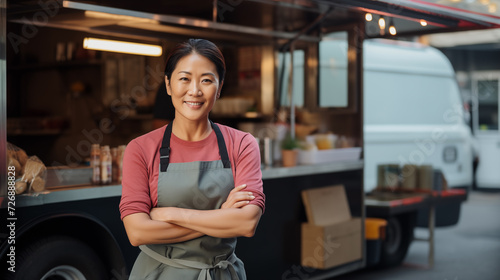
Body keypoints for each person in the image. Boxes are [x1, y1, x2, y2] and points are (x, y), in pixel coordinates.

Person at [119, 39, 265, 280]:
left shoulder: (241, 144)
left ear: (219, 88)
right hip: (160, 274)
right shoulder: (140, 149)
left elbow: (246, 224)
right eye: (184, 78)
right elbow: (137, 232)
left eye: (206, 80)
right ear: (168, 84)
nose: (195, 90)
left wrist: (170, 214)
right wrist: (220, 215)